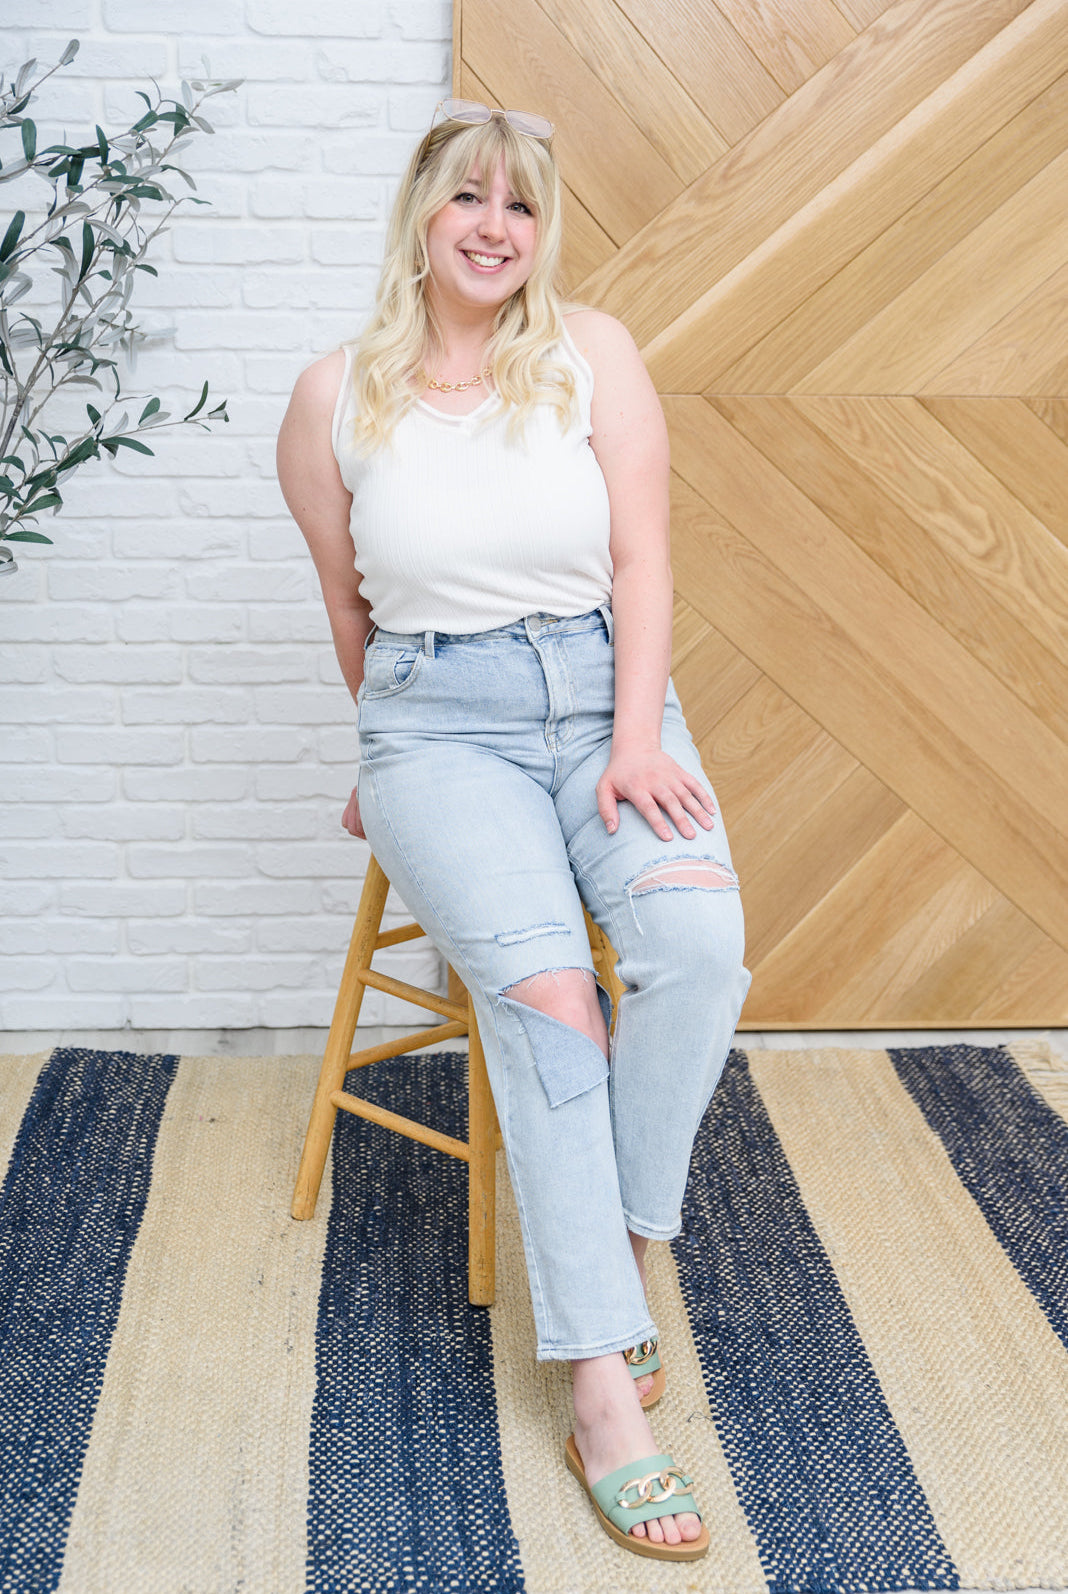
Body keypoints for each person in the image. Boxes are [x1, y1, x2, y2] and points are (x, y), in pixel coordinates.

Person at [277, 99, 750, 1563]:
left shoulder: (592, 354)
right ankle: (604, 1393)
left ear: (543, 232)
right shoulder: (333, 397)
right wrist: (394, 766)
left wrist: (633, 740)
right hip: (437, 727)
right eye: (470, 199)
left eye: (523, 205)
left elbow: (644, 557)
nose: (495, 228)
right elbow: (352, 609)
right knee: (552, 1002)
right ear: (421, 216)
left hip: (609, 701)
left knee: (696, 942)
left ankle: (625, 1252)